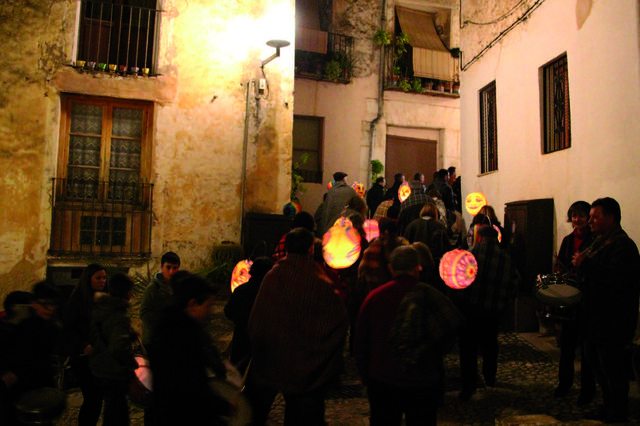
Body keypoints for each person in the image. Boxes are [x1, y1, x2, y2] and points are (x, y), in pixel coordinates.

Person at [247, 228, 348, 425]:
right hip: (308, 369)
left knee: (258, 413)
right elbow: (337, 321)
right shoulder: (320, 281)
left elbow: (258, 319)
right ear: (311, 249)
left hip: (274, 361)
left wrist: (263, 349)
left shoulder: (272, 277)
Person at [354, 245, 463, 426]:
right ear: (417, 268)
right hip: (423, 380)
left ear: (391, 268)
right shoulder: (431, 296)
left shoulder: (375, 297)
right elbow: (449, 336)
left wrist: (367, 375)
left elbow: (360, 342)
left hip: (383, 379)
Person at [573, 197, 640, 423]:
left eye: (595, 217)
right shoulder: (601, 241)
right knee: (598, 367)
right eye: (590, 217)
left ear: (611, 218)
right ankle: (607, 406)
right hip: (595, 319)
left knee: (613, 370)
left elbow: (617, 278)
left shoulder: (623, 246)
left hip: (612, 321)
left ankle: (617, 412)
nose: (590, 221)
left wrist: (586, 264)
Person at [149, 273, 229, 426]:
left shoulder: (168, 326)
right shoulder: (182, 336)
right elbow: (192, 387)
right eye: (208, 306)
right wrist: (222, 406)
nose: (211, 313)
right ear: (192, 305)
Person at [451, 226, 519, 401]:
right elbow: (514, 284)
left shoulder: (467, 256)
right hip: (492, 311)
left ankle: (469, 385)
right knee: (490, 344)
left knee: (468, 349)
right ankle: (490, 376)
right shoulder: (506, 259)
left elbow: (456, 284)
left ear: (479, 237)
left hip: (469, 310)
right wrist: (503, 304)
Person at [551, 201, 596, 403]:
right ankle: (564, 383)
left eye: (581, 216)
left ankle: (587, 390)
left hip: (587, 299)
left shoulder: (595, 239)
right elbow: (561, 261)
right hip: (570, 299)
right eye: (574, 216)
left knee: (587, 350)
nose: (577, 220)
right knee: (567, 346)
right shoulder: (569, 240)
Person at [1, 281, 62, 425]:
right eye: (45, 304)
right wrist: (5, 371)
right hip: (18, 390)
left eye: (53, 304)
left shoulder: (52, 327)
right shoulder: (19, 327)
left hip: (39, 388)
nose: (49, 309)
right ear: (34, 304)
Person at [89, 273, 137, 426]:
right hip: (113, 370)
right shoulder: (119, 314)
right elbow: (119, 346)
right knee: (117, 413)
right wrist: (132, 363)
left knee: (111, 410)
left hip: (100, 365)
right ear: (128, 292)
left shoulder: (101, 308)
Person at [63, 263, 107, 426]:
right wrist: (83, 345)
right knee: (93, 396)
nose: (102, 281)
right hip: (82, 358)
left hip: (98, 357)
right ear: (89, 279)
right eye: (98, 278)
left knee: (96, 398)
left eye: (104, 277)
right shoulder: (77, 301)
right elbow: (68, 328)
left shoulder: (104, 300)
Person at [224, 257, 274, 374]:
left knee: (240, 373)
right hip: (263, 344)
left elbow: (228, 311)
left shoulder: (241, 290)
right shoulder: (271, 292)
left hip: (241, 339)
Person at [139, 251, 181, 347]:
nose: (171, 271)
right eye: (168, 267)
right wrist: (163, 320)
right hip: (154, 340)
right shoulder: (154, 288)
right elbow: (144, 312)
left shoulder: (178, 287)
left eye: (175, 268)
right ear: (162, 267)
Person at [358, 218, 409, 294]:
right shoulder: (404, 248)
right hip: (398, 294)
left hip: (373, 293)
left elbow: (361, 275)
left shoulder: (370, 250)